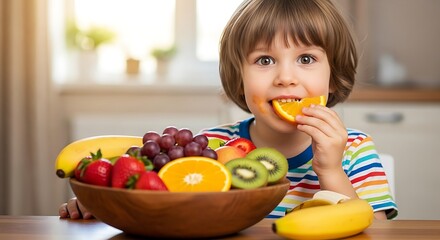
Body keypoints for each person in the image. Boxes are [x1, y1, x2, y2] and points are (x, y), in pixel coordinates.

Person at [59, 0, 397, 220]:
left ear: (333, 77)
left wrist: (332, 170)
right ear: (238, 80)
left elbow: (376, 230)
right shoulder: (212, 147)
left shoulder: (355, 150)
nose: (286, 78)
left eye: (306, 59)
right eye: (264, 60)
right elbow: (163, 203)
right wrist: (106, 206)